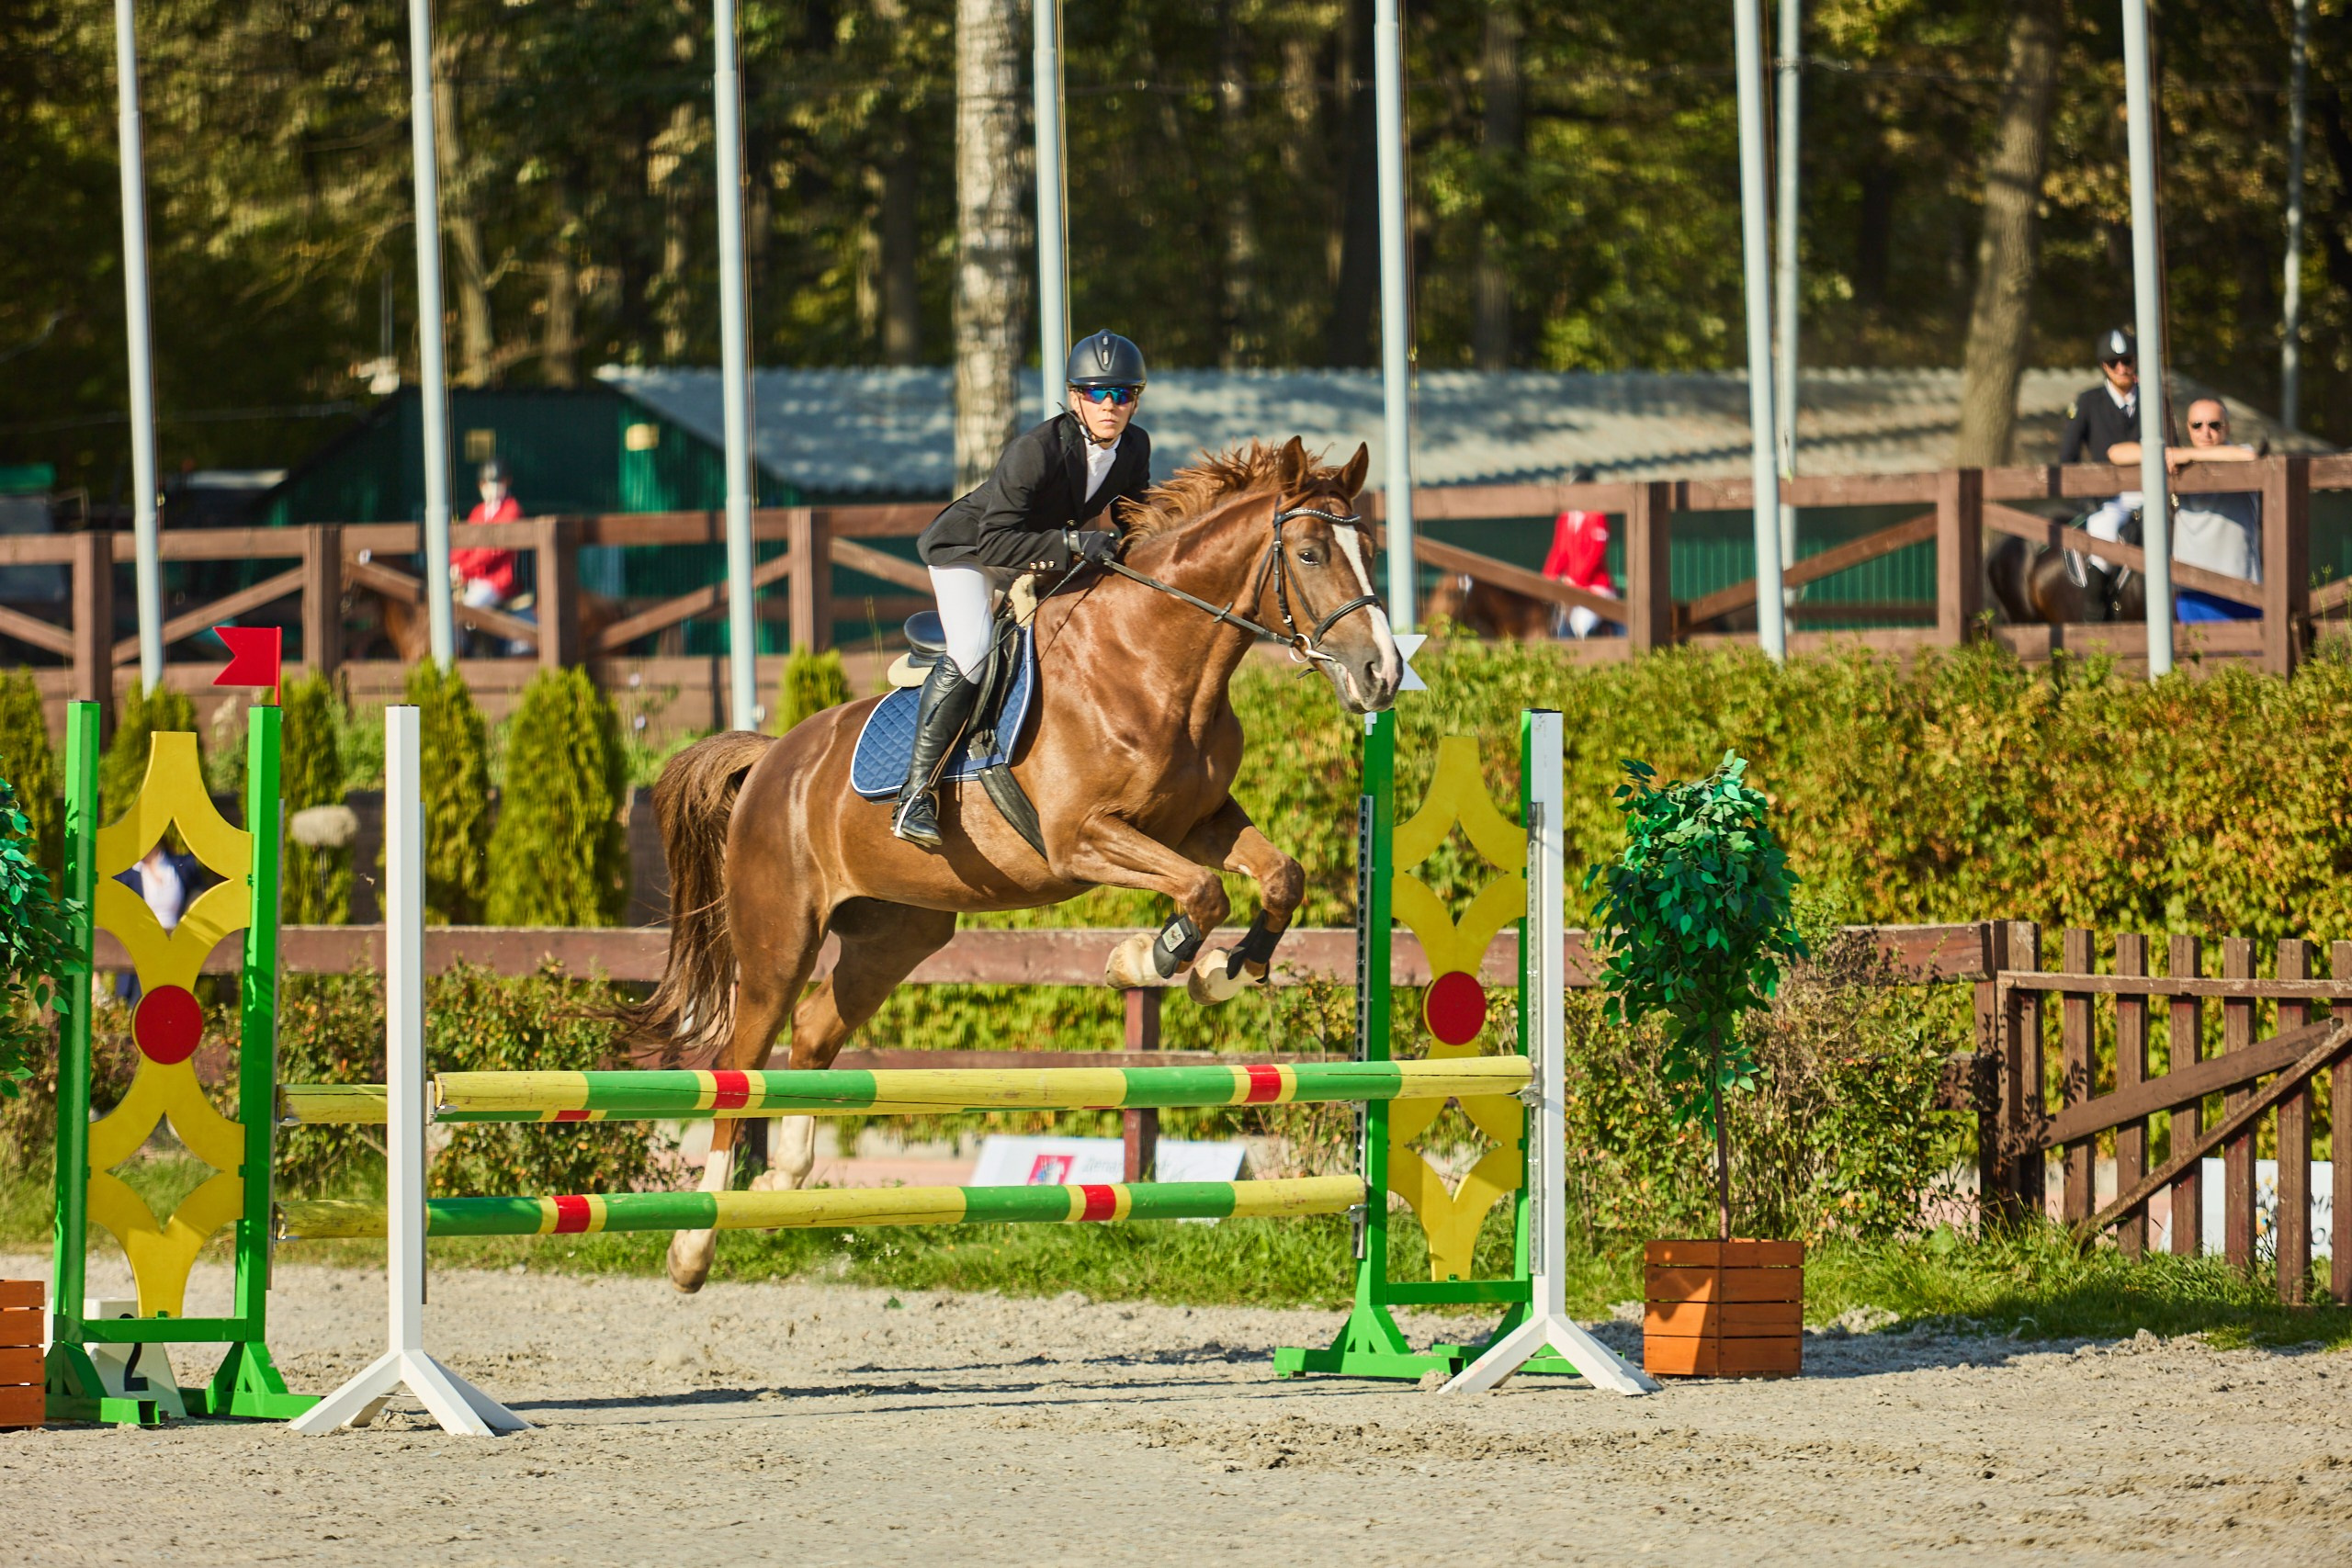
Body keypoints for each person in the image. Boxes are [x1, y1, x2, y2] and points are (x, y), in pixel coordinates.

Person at [895, 330, 1154, 848]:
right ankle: (914, 795)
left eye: (1122, 394)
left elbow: (1138, 516)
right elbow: (995, 541)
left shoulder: (1135, 445)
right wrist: (1076, 543)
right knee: (972, 650)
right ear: (1076, 396)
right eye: (1097, 393)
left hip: (1032, 555)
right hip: (971, 554)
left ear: (1135, 399)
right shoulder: (1035, 449)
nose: (1110, 405)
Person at [2108, 396, 2261, 622]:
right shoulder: (2175, 460)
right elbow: (2115, 453)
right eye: (2197, 425)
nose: (2205, 433)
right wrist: (2166, 454)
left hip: (2242, 589)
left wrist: (2186, 455)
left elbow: (2250, 455)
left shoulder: (2239, 453)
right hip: (2191, 591)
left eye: (2214, 425)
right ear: (2188, 429)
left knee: (2247, 657)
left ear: (2227, 428)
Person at [2058, 328, 2145, 582]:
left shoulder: (2155, 399)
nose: (2121, 368)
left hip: (2151, 492)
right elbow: (2068, 457)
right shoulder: (2088, 402)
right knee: (2102, 545)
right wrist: (2085, 496)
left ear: (2135, 361)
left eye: (2126, 361)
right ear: (2104, 367)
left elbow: (2172, 449)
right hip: (2110, 499)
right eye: (2113, 363)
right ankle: (2095, 611)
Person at [450, 458, 523, 649]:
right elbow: (465, 544)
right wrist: (454, 565)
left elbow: (492, 550)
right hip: (473, 578)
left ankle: (467, 653)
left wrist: (463, 569)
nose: (493, 488)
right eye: (487, 484)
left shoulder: (511, 510)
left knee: (466, 610)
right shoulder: (478, 511)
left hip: (497, 582)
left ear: (506, 484)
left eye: (499, 483)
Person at [1541, 501, 1617, 639]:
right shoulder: (1565, 518)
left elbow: (1595, 553)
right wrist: (1547, 580)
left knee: (1581, 624)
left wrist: (1576, 580)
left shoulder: (1597, 517)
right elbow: (1559, 551)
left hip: (1594, 588)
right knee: (1553, 624)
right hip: (1569, 588)